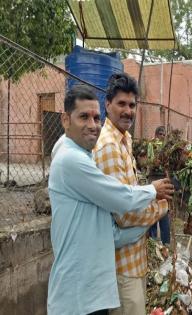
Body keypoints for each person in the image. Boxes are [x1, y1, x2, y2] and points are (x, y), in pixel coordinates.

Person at [48, 85, 174, 315]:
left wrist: (150, 219)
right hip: (78, 294)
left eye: (96, 118)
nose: (93, 125)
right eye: (83, 117)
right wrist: (155, 193)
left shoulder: (79, 152)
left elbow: (111, 233)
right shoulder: (72, 160)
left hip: (93, 290)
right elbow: (121, 200)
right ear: (65, 120)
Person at [93, 74, 168, 315]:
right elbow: (123, 214)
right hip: (121, 267)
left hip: (132, 260)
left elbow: (131, 192)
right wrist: (162, 205)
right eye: (121, 104)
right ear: (107, 104)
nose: (128, 111)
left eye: (132, 105)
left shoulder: (124, 140)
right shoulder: (109, 147)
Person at [149, 126, 171, 245]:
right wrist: (154, 162)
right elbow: (147, 162)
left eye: (164, 135)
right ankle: (152, 242)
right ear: (156, 134)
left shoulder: (167, 149)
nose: (162, 136)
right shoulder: (150, 145)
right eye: (161, 134)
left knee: (164, 213)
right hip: (152, 181)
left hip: (163, 182)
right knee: (152, 211)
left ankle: (166, 244)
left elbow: (168, 167)